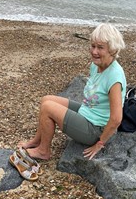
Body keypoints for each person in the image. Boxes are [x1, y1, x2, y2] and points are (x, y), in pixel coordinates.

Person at [18, 23, 126, 161]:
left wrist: (99, 144)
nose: (94, 51)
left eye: (100, 48)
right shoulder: (96, 65)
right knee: (46, 100)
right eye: (93, 46)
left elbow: (116, 119)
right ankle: (36, 141)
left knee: (47, 108)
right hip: (87, 112)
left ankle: (43, 151)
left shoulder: (114, 77)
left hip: (95, 129)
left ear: (112, 49)